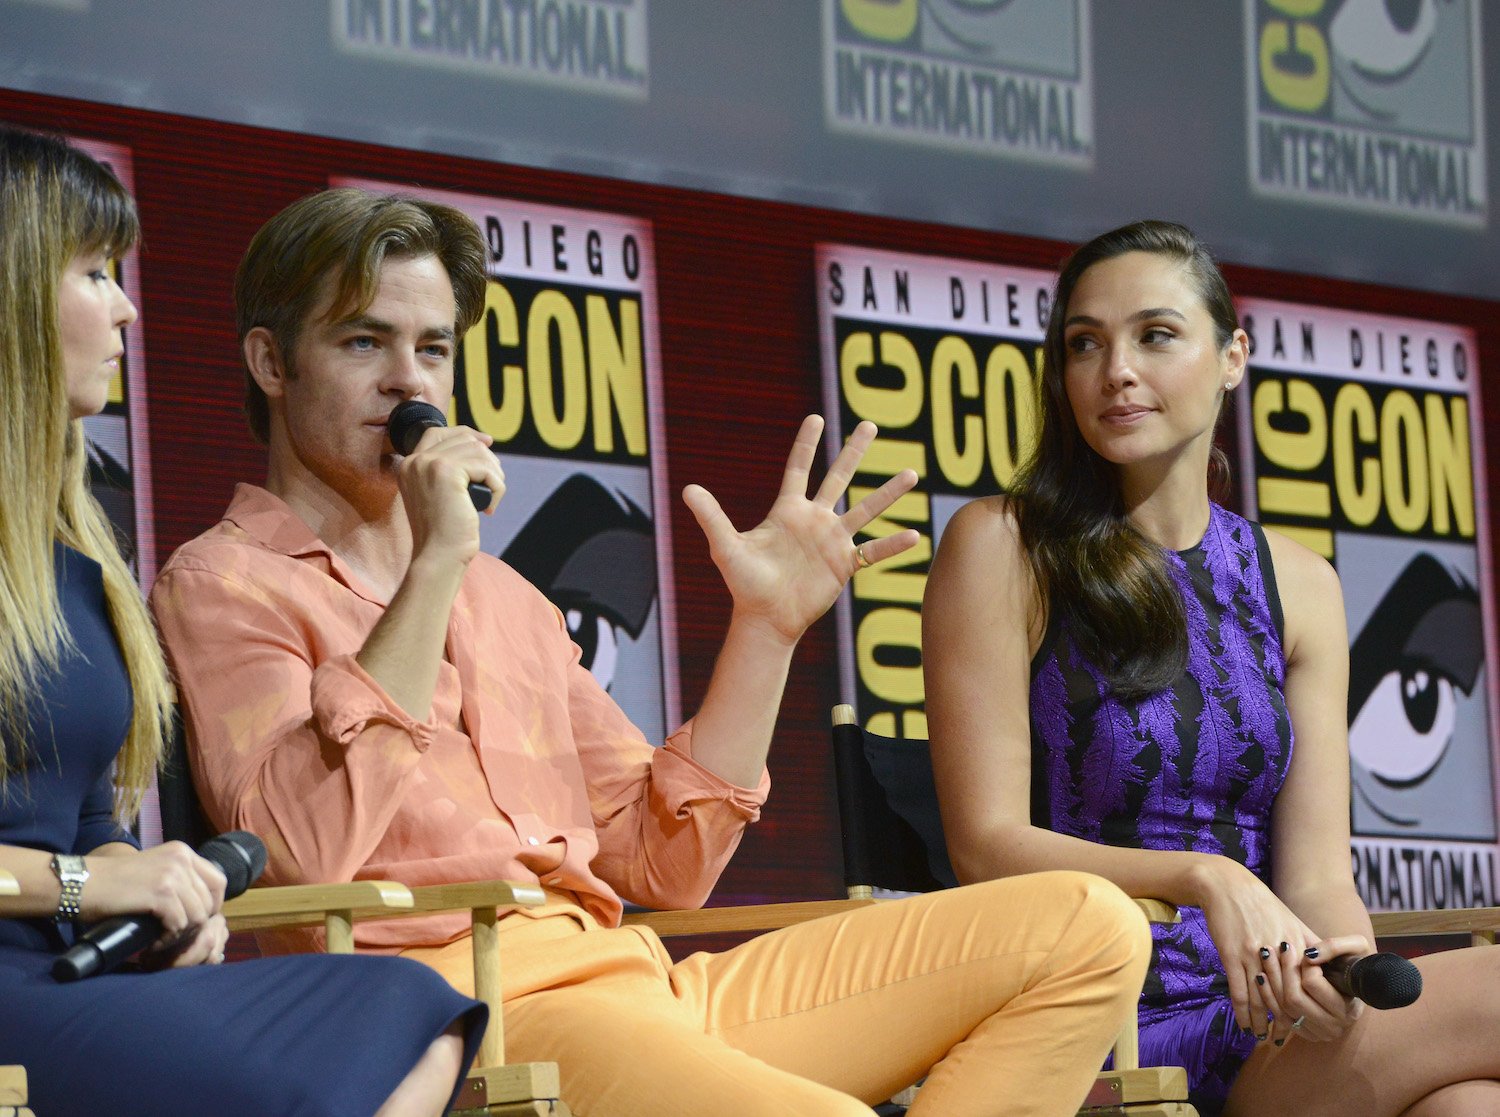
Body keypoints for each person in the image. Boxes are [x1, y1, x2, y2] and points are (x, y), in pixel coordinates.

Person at [149, 185, 1154, 1117]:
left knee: (1088, 927)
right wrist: (437, 562)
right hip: (455, 1014)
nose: (410, 382)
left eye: (433, 349)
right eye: (365, 341)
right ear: (271, 363)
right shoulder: (226, 582)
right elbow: (303, 851)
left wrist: (765, 634)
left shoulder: (504, 598)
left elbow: (661, 863)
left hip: (638, 981)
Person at [922, 218, 1500, 1117]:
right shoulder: (1004, 547)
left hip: (1262, 1024)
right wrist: (1204, 875)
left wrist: (1334, 966)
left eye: (1155, 335)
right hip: (1099, 1026)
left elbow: (1314, 875)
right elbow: (987, 846)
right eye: (1085, 343)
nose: (1116, 368)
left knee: (1466, 1108)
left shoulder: (1302, 584)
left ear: (1233, 356)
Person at [0, 126, 491, 1117]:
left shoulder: (77, 562)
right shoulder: (215, 577)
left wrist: (156, 885)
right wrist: (83, 888)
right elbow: (70, 867)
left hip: (82, 967)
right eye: (94, 273)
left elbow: (89, 819)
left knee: (415, 1008)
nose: (126, 306)